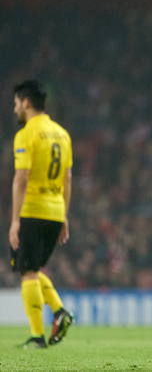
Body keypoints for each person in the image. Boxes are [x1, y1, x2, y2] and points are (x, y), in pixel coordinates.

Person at [10, 80, 74, 349]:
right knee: (33, 268)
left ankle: (37, 337)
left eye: (15, 104)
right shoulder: (62, 134)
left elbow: (21, 180)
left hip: (33, 209)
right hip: (56, 210)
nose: (14, 110)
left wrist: (14, 221)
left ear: (26, 102)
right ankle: (59, 312)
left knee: (26, 270)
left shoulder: (27, 134)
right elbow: (68, 178)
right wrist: (64, 216)